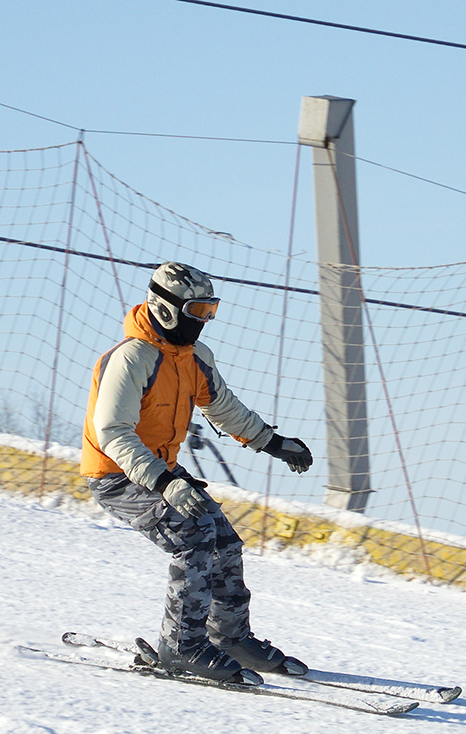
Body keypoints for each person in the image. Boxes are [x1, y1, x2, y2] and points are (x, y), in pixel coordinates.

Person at [82, 262, 315, 684]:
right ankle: (181, 646)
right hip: (118, 475)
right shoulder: (131, 358)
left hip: (161, 471)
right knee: (193, 537)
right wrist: (164, 482)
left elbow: (222, 405)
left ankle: (229, 637)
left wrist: (272, 442)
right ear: (167, 309)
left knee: (224, 539)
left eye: (210, 312)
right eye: (197, 311)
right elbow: (112, 433)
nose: (203, 322)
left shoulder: (193, 358)